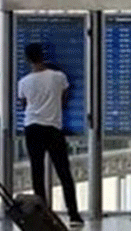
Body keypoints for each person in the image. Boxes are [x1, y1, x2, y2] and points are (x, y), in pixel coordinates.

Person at [17, 43, 85, 227]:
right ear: (43, 55)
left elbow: (24, 104)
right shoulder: (58, 77)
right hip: (53, 127)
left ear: (28, 59)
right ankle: (74, 215)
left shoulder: (23, 82)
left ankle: (43, 216)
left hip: (32, 127)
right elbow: (64, 98)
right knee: (64, 172)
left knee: (37, 173)